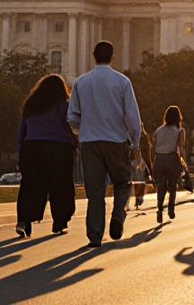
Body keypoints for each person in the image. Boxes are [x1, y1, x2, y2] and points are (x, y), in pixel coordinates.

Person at [67, 42, 142, 248]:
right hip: (116, 141)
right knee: (123, 182)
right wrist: (135, 143)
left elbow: (72, 116)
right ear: (113, 57)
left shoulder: (81, 82)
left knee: (95, 191)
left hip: (89, 142)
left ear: (93, 56)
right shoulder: (122, 81)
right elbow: (133, 117)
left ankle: (94, 234)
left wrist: (86, 127)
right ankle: (118, 216)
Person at [150, 106, 187, 223]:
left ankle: (160, 208)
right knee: (172, 185)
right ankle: (171, 207)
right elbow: (181, 147)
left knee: (161, 186)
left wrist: (152, 162)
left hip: (159, 158)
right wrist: (184, 162)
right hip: (172, 158)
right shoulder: (180, 131)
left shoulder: (159, 130)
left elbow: (153, 147)